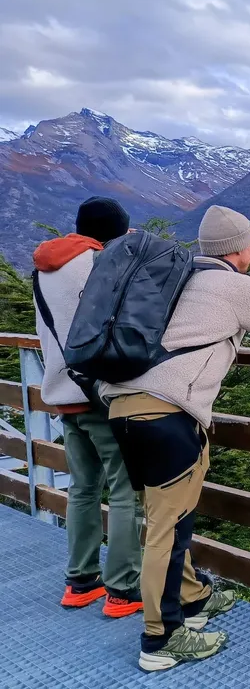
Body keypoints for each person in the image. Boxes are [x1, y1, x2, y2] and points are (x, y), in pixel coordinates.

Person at [102, 206, 250, 672]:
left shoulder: (179, 275)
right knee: (166, 531)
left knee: (165, 519)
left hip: (124, 408)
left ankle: (191, 600)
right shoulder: (236, 285)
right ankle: (161, 639)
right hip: (166, 416)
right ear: (239, 249)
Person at [32, 197, 143, 617]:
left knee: (82, 489)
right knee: (124, 492)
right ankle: (123, 590)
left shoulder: (45, 269)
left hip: (63, 394)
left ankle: (81, 582)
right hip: (99, 395)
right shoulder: (101, 265)